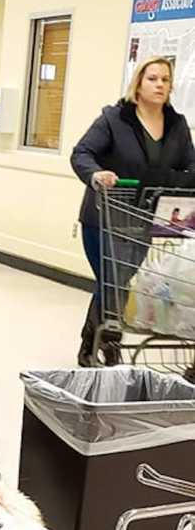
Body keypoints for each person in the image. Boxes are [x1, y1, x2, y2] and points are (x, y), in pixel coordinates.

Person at [70, 56, 195, 365]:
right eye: (153, 79)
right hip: (104, 216)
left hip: (143, 220)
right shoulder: (114, 119)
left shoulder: (177, 125)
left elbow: (190, 166)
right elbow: (82, 153)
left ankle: (95, 340)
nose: (160, 85)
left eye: (165, 80)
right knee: (112, 279)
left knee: (117, 282)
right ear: (138, 84)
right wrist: (96, 174)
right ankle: (105, 345)